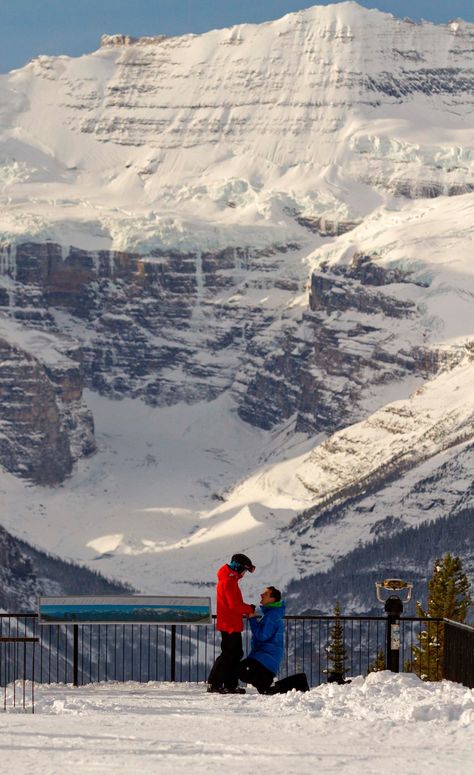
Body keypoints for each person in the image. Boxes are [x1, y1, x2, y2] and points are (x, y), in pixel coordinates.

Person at [207, 553, 256, 694]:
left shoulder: (230, 580)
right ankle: (214, 683)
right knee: (229, 654)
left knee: (235, 654)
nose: (244, 574)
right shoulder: (228, 581)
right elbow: (234, 604)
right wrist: (249, 609)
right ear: (239, 567)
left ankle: (230, 684)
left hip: (231, 622)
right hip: (229, 624)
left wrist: (246, 609)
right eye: (244, 570)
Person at [239, 585, 285, 694]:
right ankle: (265, 685)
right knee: (241, 670)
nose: (261, 595)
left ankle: (265, 683)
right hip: (266, 659)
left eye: (265, 594)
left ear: (272, 599)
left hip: (265, 659)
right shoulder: (272, 614)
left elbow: (262, 635)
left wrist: (252, 618)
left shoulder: (272, 616)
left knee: (240, 670)